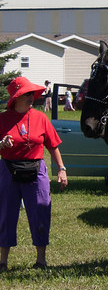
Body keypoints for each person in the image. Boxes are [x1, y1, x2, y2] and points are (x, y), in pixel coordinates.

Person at [1, 77, 68, 271]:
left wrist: (61, 169)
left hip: (36, 170)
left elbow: (53, 145)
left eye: (32, 94)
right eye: (27, 94)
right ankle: (3, 261)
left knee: (40, 211)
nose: (32, 97)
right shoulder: (2, 119)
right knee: (5, 214)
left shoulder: (41, 118)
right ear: (16, 97)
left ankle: (41, 260)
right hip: (7, 169)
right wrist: (1, 145)